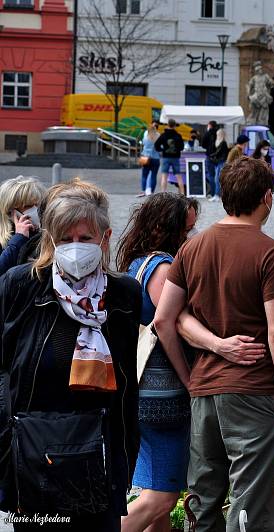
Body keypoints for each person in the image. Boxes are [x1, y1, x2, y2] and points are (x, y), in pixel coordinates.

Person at [153, 157, 274, 531]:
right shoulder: (270, 252)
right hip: (255, 389)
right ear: (267, 197)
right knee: (252, 503)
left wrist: (189, 378)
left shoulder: (191, 249)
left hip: (204, 389)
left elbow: (164, 320)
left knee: (202, 499)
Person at [0, 183, 141, 530]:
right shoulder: (21, 285)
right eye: (65, 239)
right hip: (33, 460)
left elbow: (127, 387)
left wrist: (124, 460)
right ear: (50, 240)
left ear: (104, 239)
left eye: (85, 237)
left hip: (97, 460)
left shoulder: (124, 295)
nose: (75, 247)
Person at [117, 193, 199, 532]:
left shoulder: (138, 263)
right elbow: (166, 323)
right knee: (162, 497)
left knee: (158, 503)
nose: (191, 237)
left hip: (141, 390)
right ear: (169, 230)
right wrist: (187, 376)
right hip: (162, 394)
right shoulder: (163, 267)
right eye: (187, 230)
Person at [0, 175, 46, 276]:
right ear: (10, 212)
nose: (36, 210)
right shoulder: (5, 238)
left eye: (38, 205)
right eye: (28, 206)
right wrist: (19, 238)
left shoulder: (44, 232)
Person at [155, 119, 185, 195]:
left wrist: (162, 150)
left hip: (166, 157)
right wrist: (176, 150)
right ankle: (182, 193)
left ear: (168, 125)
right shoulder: (178, 135)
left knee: (164, 176)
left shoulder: (163, 135)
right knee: (178, 176)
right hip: (175, 158)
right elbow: (182, 147)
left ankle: (163, 194)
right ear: (175, 126)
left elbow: (156, 145)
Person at [207, 128, 229, 203]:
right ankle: (217, 195)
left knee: (217, 179)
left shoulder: (223, 143)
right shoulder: (221, 142)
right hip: (219, 162)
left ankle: (217, 195)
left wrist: (212, 156)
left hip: (221, 162)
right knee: (217, 179)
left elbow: (219, 153)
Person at [140, 121, 161, 197]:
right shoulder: (158, 135)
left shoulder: (146, 135)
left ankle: (143, 191)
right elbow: (160, 147)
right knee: (153, 175)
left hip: (145, 157)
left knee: (144, 175)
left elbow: (143, 143)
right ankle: (151, 191)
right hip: (155, 158)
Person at [201, 121, 219, 194]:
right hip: (218, 157)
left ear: (210, 125)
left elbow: (203, 145)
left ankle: (213, 193)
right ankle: (218, 193)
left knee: (211, 175)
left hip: (209, 156)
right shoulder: (218, 133)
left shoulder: (207, 133)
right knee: (218, 175)